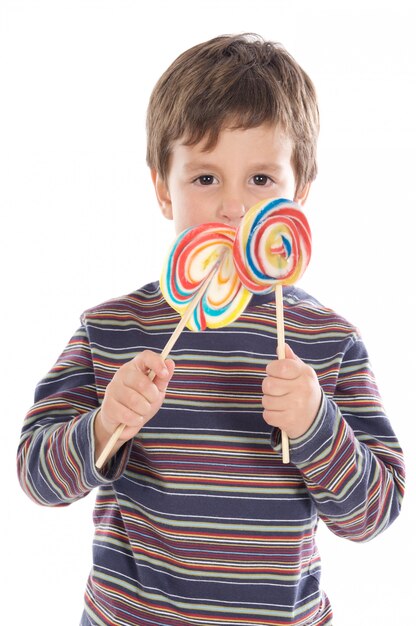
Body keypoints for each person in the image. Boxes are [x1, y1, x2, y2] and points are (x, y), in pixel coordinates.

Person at [17, 34, 405, 626]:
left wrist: (314, 423)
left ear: (299, 192)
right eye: (204, 179)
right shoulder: (113, 330)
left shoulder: (329, 341)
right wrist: (103, 427)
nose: (232, 207)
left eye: (260, 180)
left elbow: (373, 514)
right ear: (159, 187)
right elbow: (36, 476)